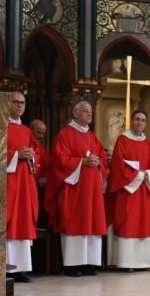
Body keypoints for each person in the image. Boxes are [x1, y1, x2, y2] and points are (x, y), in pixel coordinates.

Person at [45, 101, 109, 276]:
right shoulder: (65, 134)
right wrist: (82, 162)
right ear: (75, 114)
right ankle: (72, 264)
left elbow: (102, 157)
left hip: (92, 190)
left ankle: (88, 263)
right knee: (75, 221)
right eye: (85, 111)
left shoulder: (92, 137)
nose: (89, 114)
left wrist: (98, 162)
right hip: (75, 189)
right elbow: (59, 160)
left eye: (90, 111)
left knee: (92, 221)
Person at [106, 109, 150, 271]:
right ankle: (126, 262)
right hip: (128, 190)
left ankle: (144, 262)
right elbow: (118, 165)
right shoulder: (122, 140)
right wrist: (137, 176)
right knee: (128, 222)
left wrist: (147, 174)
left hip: (144, 189)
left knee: (144, 223)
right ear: (131, 121)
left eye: (143, 120)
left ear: (146, 123)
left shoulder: (147, 143)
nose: (139, 123)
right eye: (136, 119)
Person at [5, 93, 40, 283]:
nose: (19, 106)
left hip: (25, 182)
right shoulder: (0, 126)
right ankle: (6, 268)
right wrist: (16, 155)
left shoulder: (27, 131)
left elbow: (37, 155)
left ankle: (20, 269)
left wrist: (31, 156)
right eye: (15, 102)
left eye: (22, 103)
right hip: (9, 181)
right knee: (9, 222)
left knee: (24, 221)